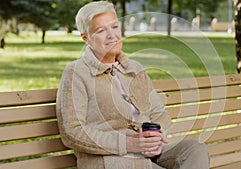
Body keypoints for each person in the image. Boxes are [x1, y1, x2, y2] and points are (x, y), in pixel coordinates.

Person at [56, 1, 209, 169]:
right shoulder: (76, 73)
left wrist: (155, 136)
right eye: (101, 30)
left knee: (194, 150)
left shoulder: (134, 68)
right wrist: (128, 144)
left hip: (147, 154)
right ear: (86, 38)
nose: (111, 35)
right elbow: (72, 132)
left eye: (114, 27)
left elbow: (159, 113)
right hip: (110, 159)